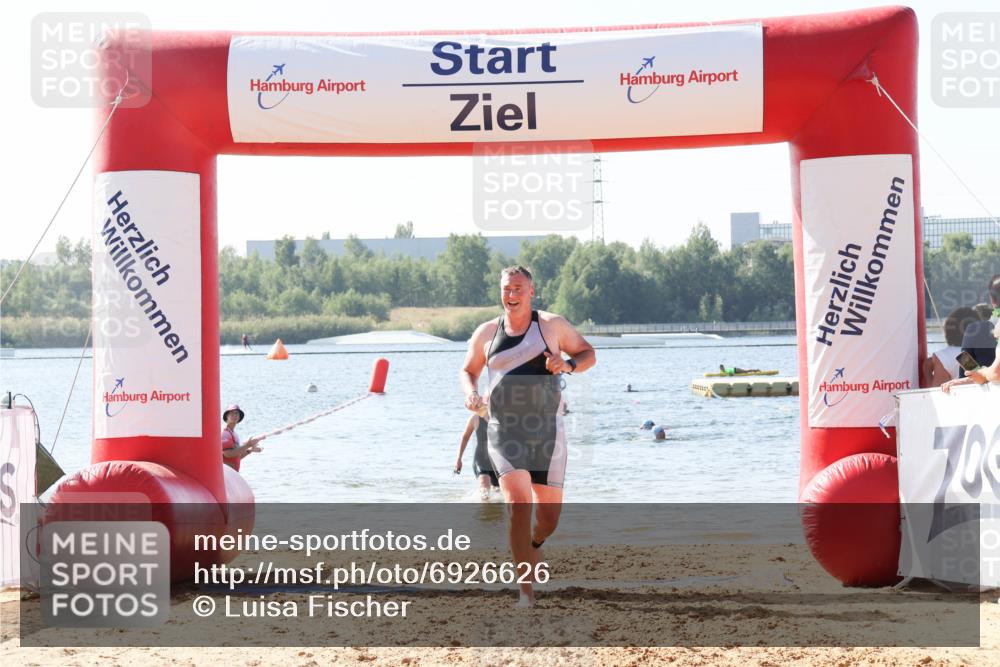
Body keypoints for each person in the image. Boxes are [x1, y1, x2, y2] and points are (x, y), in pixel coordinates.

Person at [460, 265, 596, 608]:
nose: (512, 294)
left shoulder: (551, 326)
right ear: (500, 291)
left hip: (547, 432)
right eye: (507, 288)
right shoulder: (486, 333)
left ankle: (534, 545)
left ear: (531, 292)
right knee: (518, 506)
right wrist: (470, 393)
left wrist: (566, 366)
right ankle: (525, 592)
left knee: (547, 520)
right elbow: (468, 370)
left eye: (519, 288)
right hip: (504, 430)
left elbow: (588, 354)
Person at [924, 306, 978, 387]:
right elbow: (978, 377)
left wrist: (927, 372)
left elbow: (938, 392)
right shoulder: (985, 351)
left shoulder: (944, 356)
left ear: (949, 328)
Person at [455, 404, 499, 501]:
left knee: (498, 492)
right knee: (484, 490)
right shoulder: (476, 418)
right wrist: (459, 459)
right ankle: (483, 514)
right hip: (481, 459)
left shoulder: (503, 419)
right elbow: (465, 437)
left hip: (498, 462)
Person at [959, 275, 1000, 370]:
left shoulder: (973, 330)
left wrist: (981, 375)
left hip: (985, 383)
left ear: (992, 299)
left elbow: (965, 367)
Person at [221, 404, 261, 472]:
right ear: (226, 416)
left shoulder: (234, 434)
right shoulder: (225, 432)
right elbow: (228, 454)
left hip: (232, 473)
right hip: (226, 474)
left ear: (239, 417)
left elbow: (237, 456)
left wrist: (249, 450)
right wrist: (247, 445)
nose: (235, 415)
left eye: (236, 413)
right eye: (231, 413)